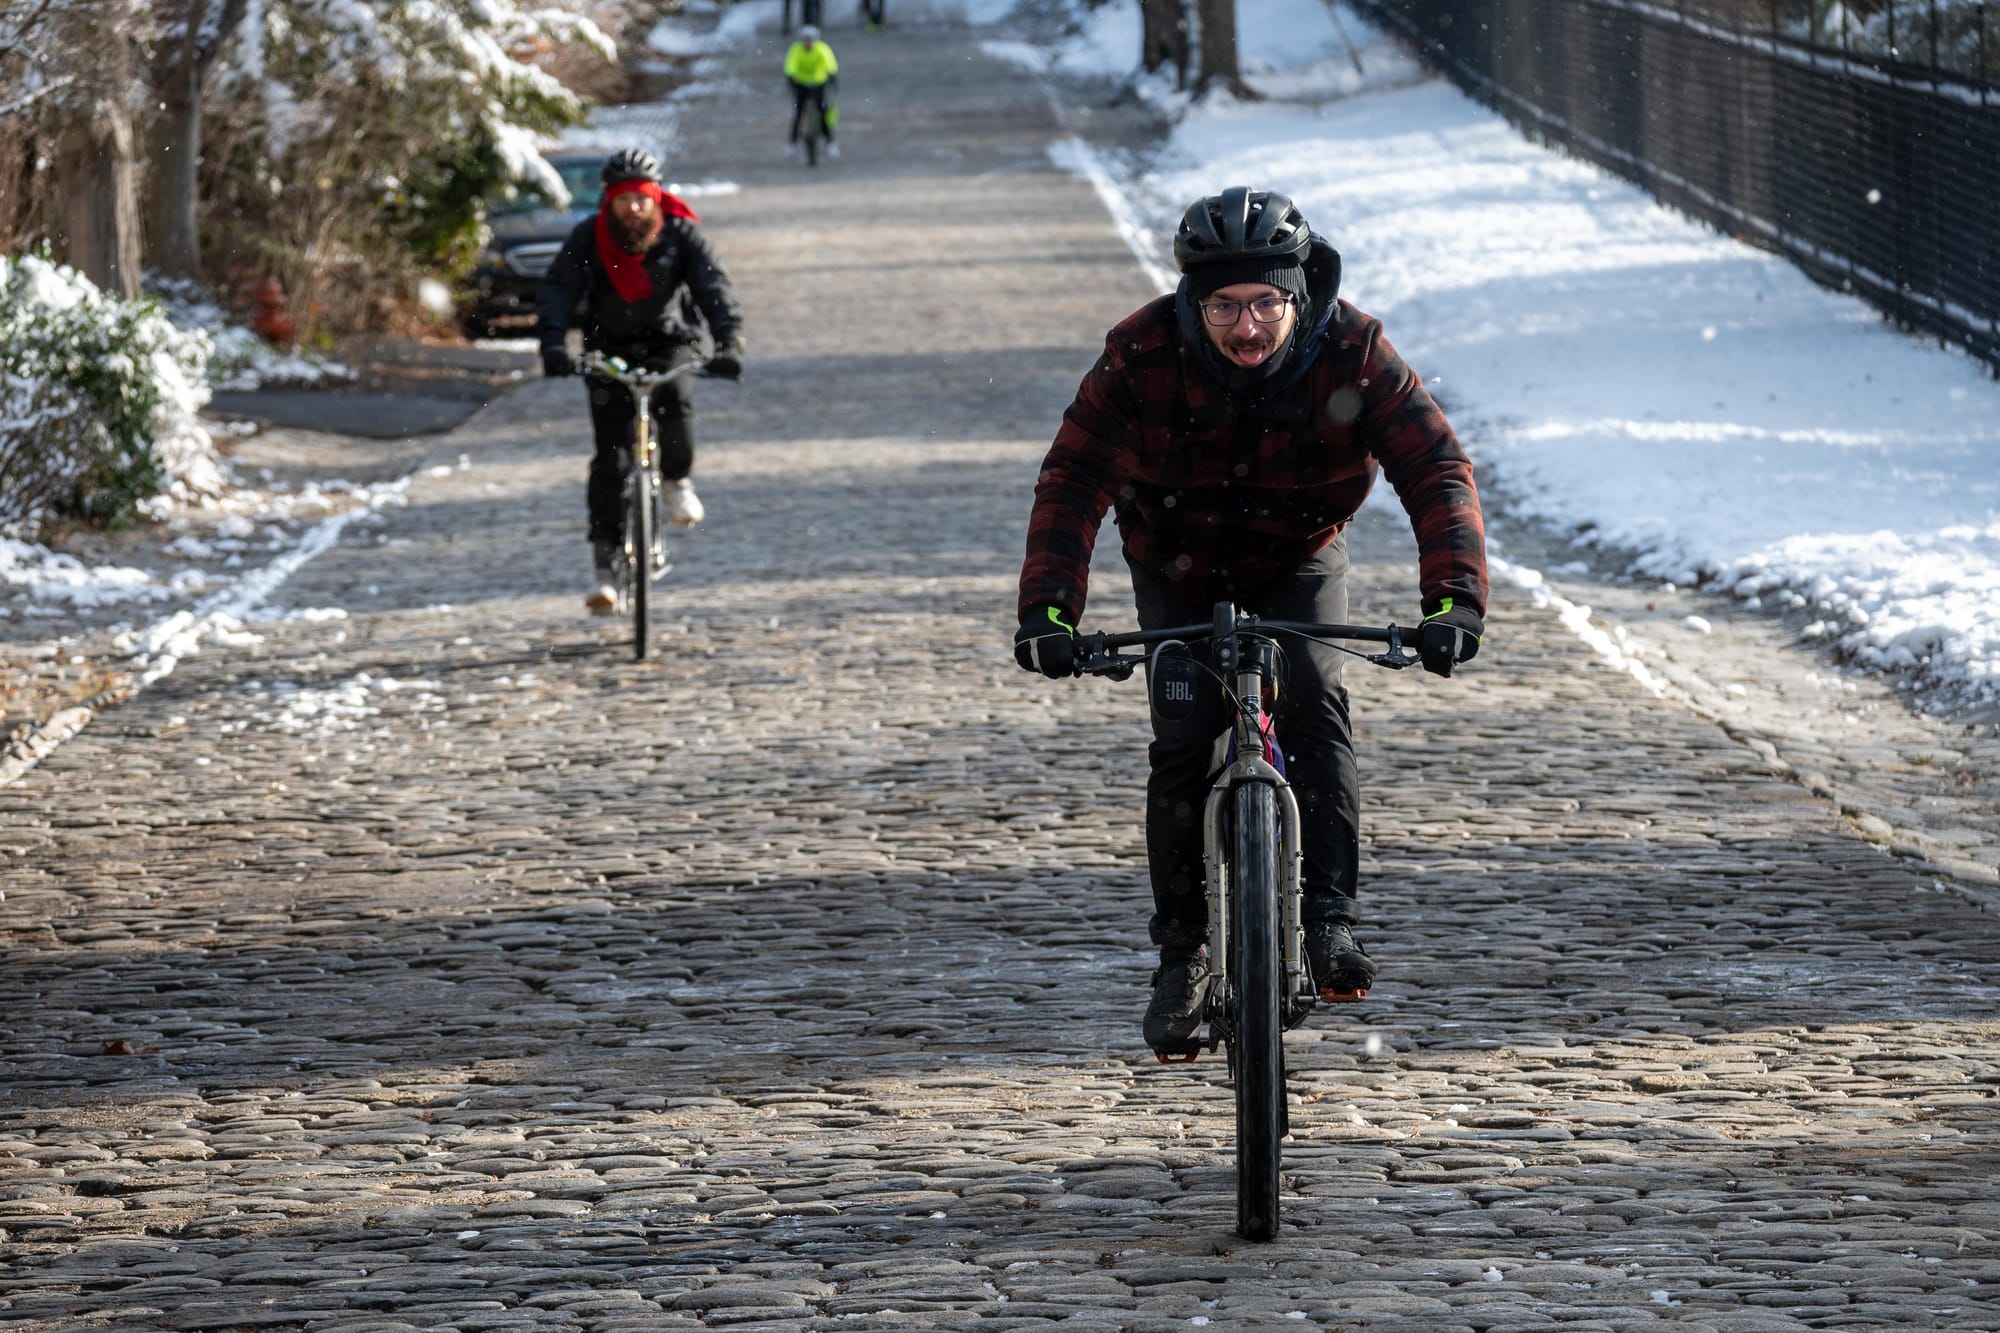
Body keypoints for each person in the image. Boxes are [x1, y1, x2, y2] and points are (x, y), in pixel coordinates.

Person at [1012, 186, 1487, 1059]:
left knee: (1311, 699)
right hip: (1175, 559)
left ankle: (1330, 919)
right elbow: (1073, 477)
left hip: (1298, 554)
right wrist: (1049, 606)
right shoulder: (1142, 351)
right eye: (1224, 306)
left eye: (1266, 303)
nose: (1247, 327)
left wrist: (1454, 596)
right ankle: (1183, 952)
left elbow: (1435, 467)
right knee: (1185, 734)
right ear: (1193, 302)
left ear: (1297, 294)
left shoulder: (1354, 349)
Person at [537, 148, 747, 615]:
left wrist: (730, 343)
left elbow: (715, 289)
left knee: (674, 402)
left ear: (656, 197)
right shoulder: (588, 237)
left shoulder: (681, 235)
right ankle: (606, 567)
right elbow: (558, 288)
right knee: (610, 459)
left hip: (666, 342)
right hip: (606, 348)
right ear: (608, 201)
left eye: (641, 198)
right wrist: (553, 343)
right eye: (623, 199)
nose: (633, 207)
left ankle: (675, 479)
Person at [783, 25, 839, 161]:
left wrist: (832, 76)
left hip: (818, 85)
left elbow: (830, 63)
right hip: (801, 84)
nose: (808, 43)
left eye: (811, 40)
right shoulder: (796, 50)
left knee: (824, 113)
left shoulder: (822, 49)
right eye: (806, 40)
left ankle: (830, 143)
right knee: (798, 113)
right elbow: (791, 65)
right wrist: (790, 78)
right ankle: (792, 144)